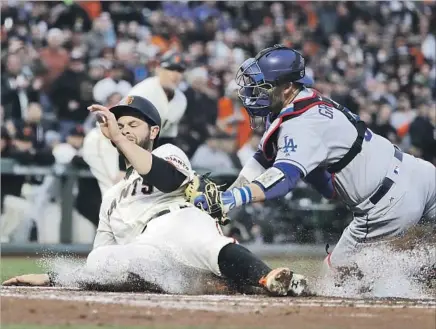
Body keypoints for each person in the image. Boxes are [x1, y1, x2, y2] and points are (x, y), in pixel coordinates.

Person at [2, 95, 307, 297]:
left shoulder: (167, 152)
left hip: (178, 220)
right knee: (99, 258)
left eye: (133, 125)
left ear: (153, 130)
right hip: (149, 251)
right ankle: (217, 283)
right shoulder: (112, 196)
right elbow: (99, 263)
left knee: (201, 241)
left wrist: (120, 139)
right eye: (119, 125)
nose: (125, 130)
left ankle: (270, 277)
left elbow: (164, 176)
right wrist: (55, 278)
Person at [187, 44, 436, 270]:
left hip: (388, 203)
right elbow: (264, 158)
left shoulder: (301, 125)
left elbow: (283, 178)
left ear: (286, 87)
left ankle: (419, 264)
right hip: (419, 173)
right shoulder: (306, 101)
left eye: (263, 86)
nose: (254, 92)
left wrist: (233, 198)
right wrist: (228, 194)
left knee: (335, 276)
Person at [127, 50, 187, 146]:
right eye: (170, 69)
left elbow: (168, 137)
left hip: (149, 144)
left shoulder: (181, 100)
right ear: (158, 70)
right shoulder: (142, 92)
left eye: (179, 71)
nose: (175, 75)